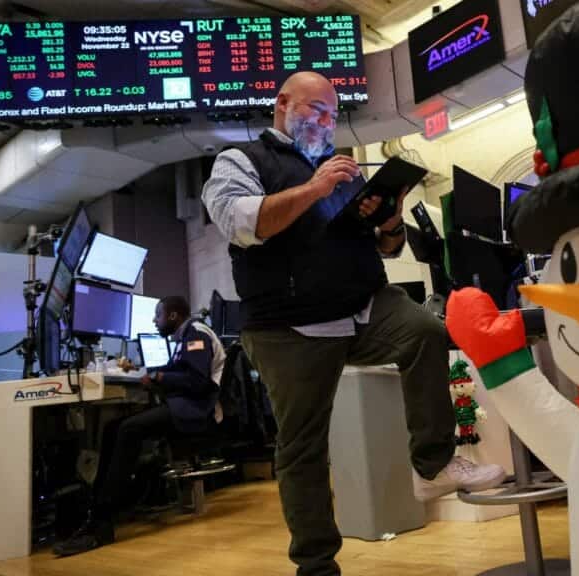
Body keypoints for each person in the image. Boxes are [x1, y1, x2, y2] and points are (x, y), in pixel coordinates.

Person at [201, 71, 505, 576]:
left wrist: (389, 220)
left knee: (425, 332)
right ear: (283, 104)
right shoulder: (241, 160)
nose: (326, 121)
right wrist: (315, 188)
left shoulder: (339, 167)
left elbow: (385, 247)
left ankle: (432, 465)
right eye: (316, 109)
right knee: (303, 447)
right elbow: (241, 223)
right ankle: (317, 566)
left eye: (332, 113)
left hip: (363, 306)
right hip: (288, 326)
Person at [53, 296, 226, 557]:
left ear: (173, 316)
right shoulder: (186, 336)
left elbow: (198, 381)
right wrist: (150, 372)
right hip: (184, 406)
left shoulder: (196, 334)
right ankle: (95, 511)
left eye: (158, 315)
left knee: (129, 430)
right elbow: (178, 370)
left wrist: (160, 377)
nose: (154, 321)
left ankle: (102, 523)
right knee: (112, 428)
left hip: (196, 411)